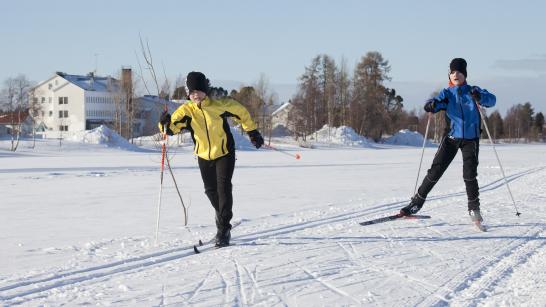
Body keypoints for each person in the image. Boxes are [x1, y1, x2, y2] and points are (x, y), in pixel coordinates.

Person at [159, 71, 264, 247]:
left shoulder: (220, 105)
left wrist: (252, 132)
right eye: (192, 93)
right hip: (203, 155)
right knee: (210, 191)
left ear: (205, 90)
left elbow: (242, 113)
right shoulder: (186, 111)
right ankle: (222, 214)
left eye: (199, 91)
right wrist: (164, 122)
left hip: (224, 152)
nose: (196, 95)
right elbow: (170, 129)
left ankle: (224, 229)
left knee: (223, 188)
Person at [400, 58, 496, 224]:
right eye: (452, 72)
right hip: (451, 138)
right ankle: (416, 204)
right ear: (449, 75)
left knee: (469, 175)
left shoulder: (473, 90)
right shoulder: (447, 93)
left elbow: (491, 100)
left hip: (470, 140)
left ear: (465, 75)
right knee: (435, 171)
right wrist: (431, 105)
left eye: (459, 72)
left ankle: (474, 209)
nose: (455, 75)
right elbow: (435, 103)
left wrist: (480, 96)